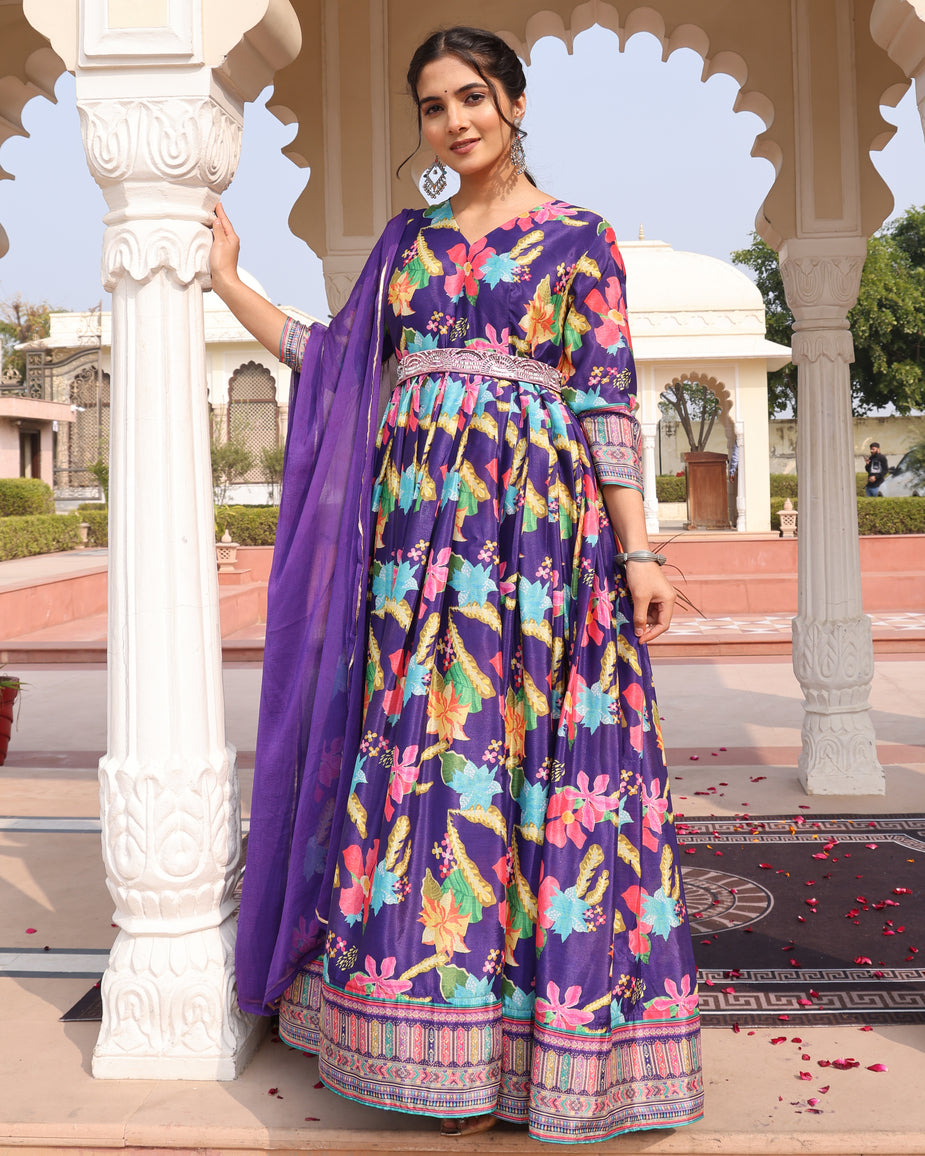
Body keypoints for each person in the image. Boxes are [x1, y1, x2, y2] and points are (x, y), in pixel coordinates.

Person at [209, 25, 703, 1144]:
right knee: (438, 773)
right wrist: (228, 279)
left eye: (471, 97)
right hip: (421, 561)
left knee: (540, 768)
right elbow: (333, 363)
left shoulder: (580, 239)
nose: (454, 121)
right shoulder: (410, 246)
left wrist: (637, 552)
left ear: (515, 101)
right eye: (433, 106)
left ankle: (543, 1057)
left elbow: (608, 403)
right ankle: (451, 1053)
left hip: (544, 545)